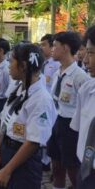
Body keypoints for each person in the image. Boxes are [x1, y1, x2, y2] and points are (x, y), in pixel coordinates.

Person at [0, 43, 57, 189]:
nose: (8, 65)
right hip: (6, 152)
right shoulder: (18, 87)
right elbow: (5, 122)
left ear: (23, 66)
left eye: (12, 60)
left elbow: (33, 142)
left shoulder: (42, 99)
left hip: (23, 161)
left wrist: (7, 170)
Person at [47, 31, 90, 189]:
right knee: (56, 164)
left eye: (55, 46)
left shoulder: (80, 77)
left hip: (71, 126)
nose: (52, 49)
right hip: (57, 121)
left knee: (72, 167)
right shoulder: (58, 73)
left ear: (65, 48)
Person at [70, 25, 95, 189]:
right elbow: (80, 130)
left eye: (91, 53)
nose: (85, 60)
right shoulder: (87, 90)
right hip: (85, 172)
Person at [39, 33, 60, 172]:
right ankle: (42, 159)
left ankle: (46, 161)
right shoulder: (40, 63)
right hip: (39, 101)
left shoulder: (56, 65)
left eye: (44, 45)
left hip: (51, 103)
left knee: (49, 131)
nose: (41, 48)